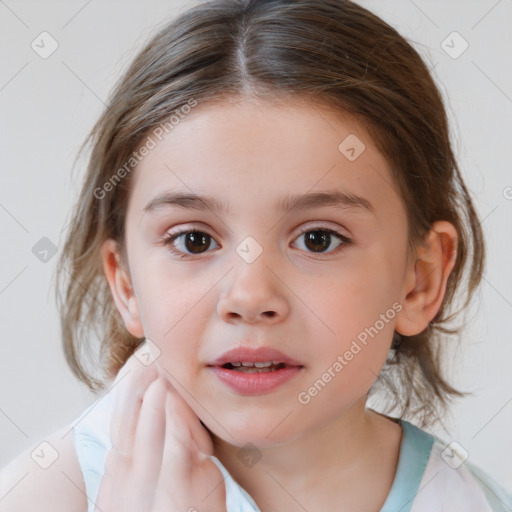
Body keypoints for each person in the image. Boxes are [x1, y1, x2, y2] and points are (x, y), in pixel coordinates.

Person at [1, 0, 511, 510]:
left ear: (418, 280)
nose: (250, 297)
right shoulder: (48, 494)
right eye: (194, 240)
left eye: (318, 239)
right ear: (127, 284)